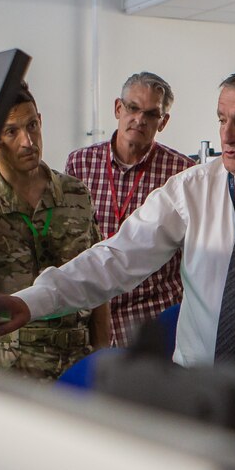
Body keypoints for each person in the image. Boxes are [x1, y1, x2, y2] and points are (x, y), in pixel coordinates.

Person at [0, 67, 235, 454]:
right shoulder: (190, 189)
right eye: (222, 120)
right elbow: (115, 258)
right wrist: (33, 300)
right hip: (196, 397)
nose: (226, 135)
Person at [0, 86, 109, 380]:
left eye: (32, 126)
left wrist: (103, 356)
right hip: (11, 367)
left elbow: (98, 278)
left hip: (75, 361)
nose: (28, 141)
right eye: (11, 132)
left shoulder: (74, 193)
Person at [64, 72, 195, 348]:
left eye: (151, 114)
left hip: (152, 318)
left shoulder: (181, 172)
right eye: (132, 108)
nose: (140, 120)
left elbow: (192, 252)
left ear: (163, 122)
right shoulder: (80, 163)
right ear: (117, 108)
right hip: (91, 313)